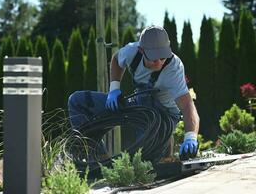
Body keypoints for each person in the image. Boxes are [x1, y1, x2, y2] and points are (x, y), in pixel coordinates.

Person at [68, 25, 199, 159]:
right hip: (139, 104)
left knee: (146, 157)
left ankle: (162, 154)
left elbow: (188, 106)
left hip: (164, 115)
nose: (159, 62)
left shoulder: (174, 68)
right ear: (141, 50)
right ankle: (98, 158)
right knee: (77, 101)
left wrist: (191, 137)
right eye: (154, 58)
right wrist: (114, 89)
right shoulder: (131, 51)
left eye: (163, 57)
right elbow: (116, 59)